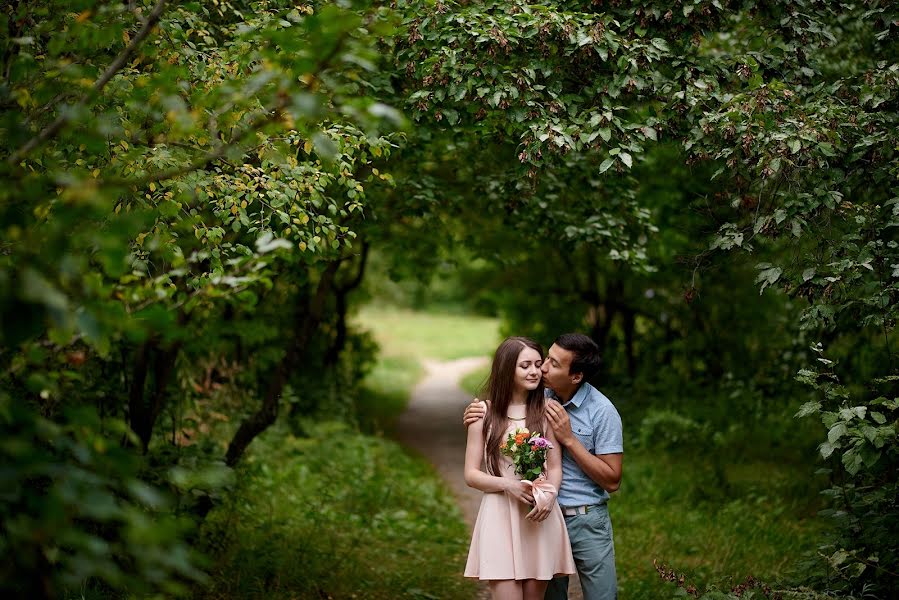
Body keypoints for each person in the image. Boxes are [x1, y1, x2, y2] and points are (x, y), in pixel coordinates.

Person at [465, 333, 623, 600]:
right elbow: (502, 406)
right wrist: (476, 414)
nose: (542, 369)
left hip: (582, 518)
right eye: (544, 360)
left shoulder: (600, 411)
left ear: (576, 376)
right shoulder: (540, 397)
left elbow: (612, 480)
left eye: (550, 364)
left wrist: (570, 439)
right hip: (533, 515)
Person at [464, 336, 576, 600]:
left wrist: (549, 496)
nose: (535, 371)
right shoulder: (483, 413)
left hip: (537, 516)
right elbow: (471, 474)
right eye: (525, 365)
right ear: (507, 369)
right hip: (499, 514)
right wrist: (509, 485)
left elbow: (555, 466)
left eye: (538, 364)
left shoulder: (546, 411)